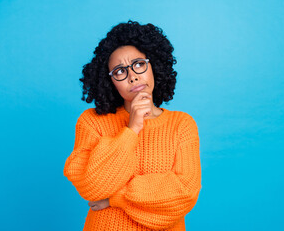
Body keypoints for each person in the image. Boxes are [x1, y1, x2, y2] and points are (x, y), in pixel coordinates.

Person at [63, 20, 202, 231]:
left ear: (154, 65)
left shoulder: (182, 124)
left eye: (138, 64)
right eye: (119, 71)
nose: (132, 76)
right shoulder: (92, 121)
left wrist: (114, 199)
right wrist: (132, 129)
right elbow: (93, 187)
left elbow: (184, 193)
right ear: (110, 81)